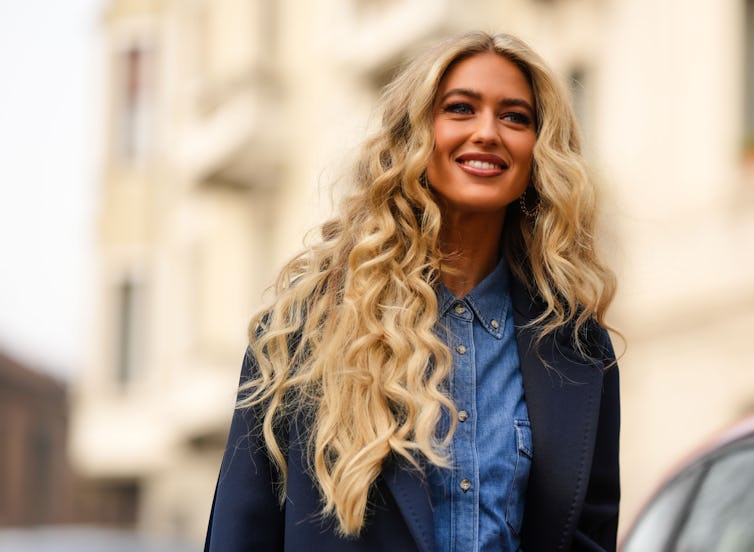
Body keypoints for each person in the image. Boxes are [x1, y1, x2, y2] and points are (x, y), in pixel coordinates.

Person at [205, 31, 619, 552]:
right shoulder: (304, 331)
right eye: (460, 109)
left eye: (515, 117)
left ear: (540, 152)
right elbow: (240, 533)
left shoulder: (577, 348)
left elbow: (591, 535)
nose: (488, 132)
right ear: (415, 134)